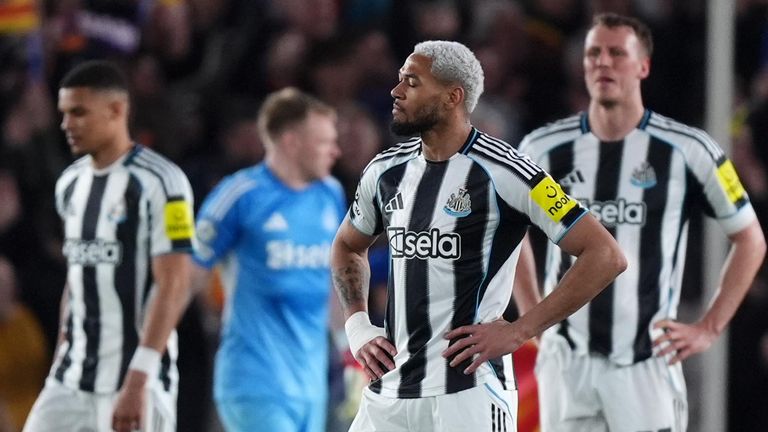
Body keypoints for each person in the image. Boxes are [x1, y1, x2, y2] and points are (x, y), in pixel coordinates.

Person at [330, 40, 627, 432]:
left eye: (412, 82)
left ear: (453, 97)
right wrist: (358, 326)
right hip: (388, 391)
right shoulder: (385, 171)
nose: (396, 91)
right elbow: (347, 246)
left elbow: (605, 254)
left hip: (469, 391)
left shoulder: (509, 171)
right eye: (400, 79)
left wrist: (521, 329)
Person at [515, 13, 767, 432]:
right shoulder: (543, 149)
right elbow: (510, 230)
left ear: (643, 66)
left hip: (645, 362)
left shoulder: (688, 150)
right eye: (593, 53)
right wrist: (531, 314)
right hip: (566, 362)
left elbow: (751, 239)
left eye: (617, 53)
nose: (603, 62)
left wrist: (709, 327)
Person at [23, 60, 195, 432]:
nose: (66, 124)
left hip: (137, 381)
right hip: (71, 379)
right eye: (64, 113)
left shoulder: (163, 182)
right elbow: (77, 281)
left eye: (78, 112)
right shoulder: (69, 184)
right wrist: (60, 359)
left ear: (116, 110)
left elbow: (174, 283)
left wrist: (138, 380)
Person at [190, 87, 345, 432]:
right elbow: (185, 277)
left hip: (311, 386)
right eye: (324, 142)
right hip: (255, 383)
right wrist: (146, 357)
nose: (335, 151)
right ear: (291, 142)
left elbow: (333, 282)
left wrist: (348, 348)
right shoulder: (240, 195)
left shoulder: (330, 194)